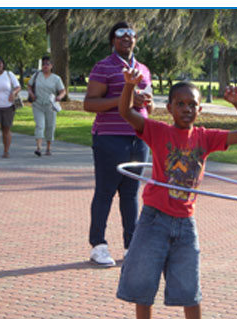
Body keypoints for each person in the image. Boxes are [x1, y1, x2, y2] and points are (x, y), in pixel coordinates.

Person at [116, 68, 237, 319]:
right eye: (180, 104)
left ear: (200, 108)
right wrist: (129, 86)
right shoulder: (157, 131)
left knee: (190, 288)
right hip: (154, 218)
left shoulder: (206, 137)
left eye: (192, 104)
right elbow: (126, 111)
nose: (186, 109)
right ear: (169, 108)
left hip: (185, 222)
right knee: (143, 285)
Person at [84, 22, 154, 267]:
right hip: (109, 137)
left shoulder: (143, 69)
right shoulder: (104, 67)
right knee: (105, 192)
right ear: (113, 39)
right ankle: (98, 245)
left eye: (132, 34)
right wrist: (125, 98)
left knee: (131, 194)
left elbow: (147, 105)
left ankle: (131, 245)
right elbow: (90, 103)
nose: (128, 38)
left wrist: (145, 102)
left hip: (139, 137)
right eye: (122, 34)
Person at [27, 55, 66, 156]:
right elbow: (29, 86)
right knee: (40, 125)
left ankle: (48, 147)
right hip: (38, 104)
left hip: (50, 105)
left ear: (51, 66)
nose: (45, 66)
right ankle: (38, 148)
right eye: (43, 64)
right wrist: (31, 94)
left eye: (47, 64)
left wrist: (59, 97)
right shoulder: (36, 75)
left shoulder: (56, 78)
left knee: (50, 126)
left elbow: (63, 91)